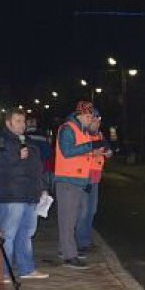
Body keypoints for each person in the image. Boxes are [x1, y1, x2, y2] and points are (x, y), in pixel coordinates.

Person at [0, 109, 49, 281]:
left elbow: (37, 167)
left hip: (29, 194)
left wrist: (42, 187)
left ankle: (26, 268)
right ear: (8, 123)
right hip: (10, 195)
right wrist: (15, 155)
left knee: (26, 234)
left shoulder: (28, 141)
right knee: (8, 235)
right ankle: (2, 271)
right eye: (18, 120)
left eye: (24, 121)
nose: (22, 124)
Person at [54, 101, 105, 269]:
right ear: (80, 115)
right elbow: (67, 151)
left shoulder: (79, 129)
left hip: (76, 179)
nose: (90, 120)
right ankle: (70, 256)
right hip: (68, 180)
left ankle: (66, 250)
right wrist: (90, 147)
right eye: (89, 116)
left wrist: (91, 151)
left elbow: (80, 152)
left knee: (71, 219)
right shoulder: (68, 129)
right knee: (68, 220)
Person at [76, 110, 112, 253]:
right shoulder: (83, 135)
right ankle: (81, 243)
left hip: (95, 177)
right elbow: (77, 152)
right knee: (83, 211)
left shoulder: (100, 135)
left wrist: (108, 152)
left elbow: (107, 148)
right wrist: (93, 153)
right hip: (84, 176)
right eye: (94, 121)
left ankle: (86, 239)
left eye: (98, 121)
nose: (97, 124)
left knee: (91, 211)